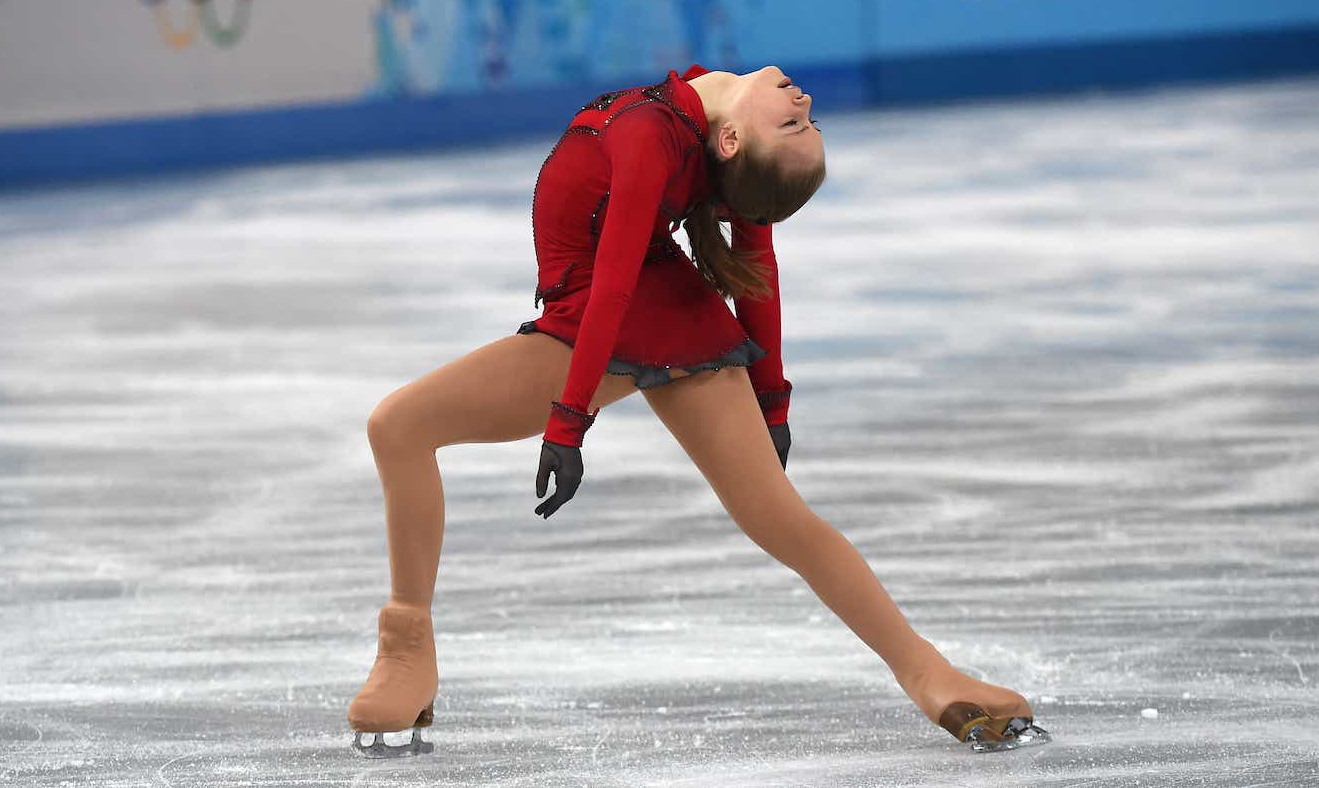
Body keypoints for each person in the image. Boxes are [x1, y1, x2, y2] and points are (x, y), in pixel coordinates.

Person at [347, 63, 1046, 757]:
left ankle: (408, 657)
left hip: (600, 321)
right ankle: (928, 674)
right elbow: (749, 276)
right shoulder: (710, 124)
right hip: (665, 314)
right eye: (807, 119)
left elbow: (630, 284)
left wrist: (571, 419)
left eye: (796, 121)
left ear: (737, 141)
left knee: (398, 427)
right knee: (784, 522)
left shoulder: (657, 134)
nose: (804, 101)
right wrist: (769, 402)